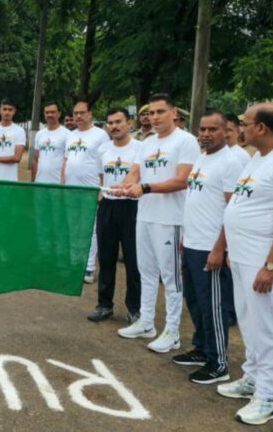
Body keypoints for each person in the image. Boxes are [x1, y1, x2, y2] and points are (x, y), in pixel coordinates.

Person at [217, 103, 273, 425]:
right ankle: (252, 379)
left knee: (266, 328)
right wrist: (229, 249)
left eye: (246, 123)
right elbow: (242, 203)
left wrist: (270, 266)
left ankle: (269, 398)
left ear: (262, 128)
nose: (241, 127)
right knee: (248, 322)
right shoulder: (257, 158)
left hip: (262, 261)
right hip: (241, 257)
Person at [115, 93, 200, 353]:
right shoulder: (147, 142)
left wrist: (145, 187)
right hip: (145, 215)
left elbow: (183, 180)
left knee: (171, 277)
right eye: (151, 113)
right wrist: (125, 184)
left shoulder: (186, 141)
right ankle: (146, 322)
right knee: (146, 272)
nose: (154, 117)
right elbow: (135, 171)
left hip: (171, 219)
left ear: (174, 113)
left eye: (160, 112)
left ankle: (172, 331)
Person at [172, 111, 243, 384]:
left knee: (215, 306)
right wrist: (186, 236)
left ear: (225, 131)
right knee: (196, 300)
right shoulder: (202, 158)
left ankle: (218, 362)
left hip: (211, 246)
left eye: (213, 129)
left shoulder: (231, 161)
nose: (205, 134)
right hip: (192, 242)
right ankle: (201, 349)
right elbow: (196, 199)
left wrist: (220, 248)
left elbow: (231, 208)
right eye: (202, 129)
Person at [88, 108, 142, 323]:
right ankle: (104, 305)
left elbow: (139, 175)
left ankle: (134, 308)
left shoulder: (140, 148)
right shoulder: (103, 150)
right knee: (107, 258)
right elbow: (102, 177)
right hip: (108, 206)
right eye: (110, 123)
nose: (114, 126)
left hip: (132, 207)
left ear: (129, 123)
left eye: (119, 122)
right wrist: (103, 194)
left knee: (133, 260)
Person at [61, 101, 110, 283]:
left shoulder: (100, 135)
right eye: (76, 113)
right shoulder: (70, 135)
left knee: (90, 229)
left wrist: (101, 190)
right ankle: (75, 263)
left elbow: (105, 164)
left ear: (90, 114)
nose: (79, 116)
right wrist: (63, 185)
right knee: (73, 228)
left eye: (82, 113)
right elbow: (66, 162)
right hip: (72, 190)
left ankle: (89, 267)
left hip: (91, 190)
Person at [0, 99, 26, 182]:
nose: (7, 112)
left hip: (9, 179)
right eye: (5, 109)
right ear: (0, 110)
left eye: (10, 110)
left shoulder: (19, 131)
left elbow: (17, 158)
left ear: (14, 111)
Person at [32, 102, 68, 184]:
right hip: (39, 183)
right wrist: (33, 182)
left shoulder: (67, 134)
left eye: (52, 112)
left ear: (59, 114)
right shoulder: (39, 134)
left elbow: (68, 162)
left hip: (58, 184)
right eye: (47, 112)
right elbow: (36, 159)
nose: (49, 115)